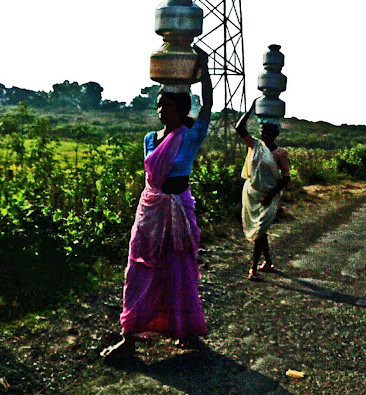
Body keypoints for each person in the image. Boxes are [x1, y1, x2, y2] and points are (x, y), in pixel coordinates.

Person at [101, 46, 212, 357]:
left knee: (179, 269)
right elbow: (152, 177)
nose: (161, 110)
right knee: (138, 270)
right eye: (159, 105)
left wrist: (203, 71)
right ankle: (129, 337)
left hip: (177, 210)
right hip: (150, 211)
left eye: (166, 105)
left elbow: (209, 106)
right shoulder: (150, 139)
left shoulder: (191, 135)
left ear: (180, 108)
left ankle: (182, 329)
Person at [235, 100, 291, 281]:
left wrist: (271, 195)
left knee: (259, 231)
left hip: (269, 197)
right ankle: (268, 262)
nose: (264, 133)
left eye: (268, 131)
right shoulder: (255, 145)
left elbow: (286, 178)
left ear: (276, 133)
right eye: (262, 130)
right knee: (261, 230)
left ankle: (253, 268)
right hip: (252, 193)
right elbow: (239, 127)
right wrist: (252, 108)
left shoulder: (280, 153)